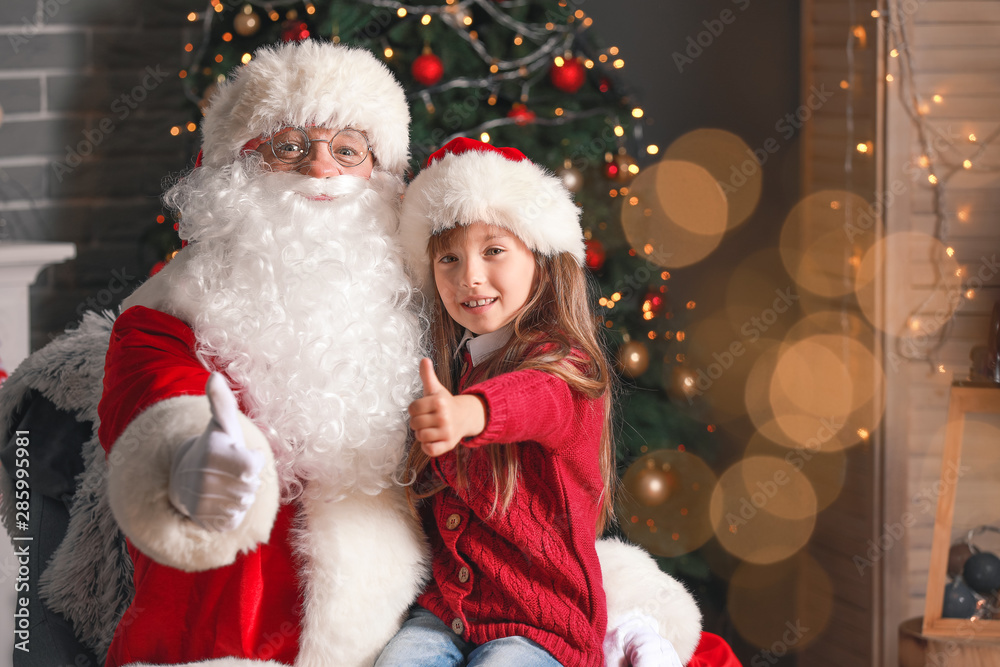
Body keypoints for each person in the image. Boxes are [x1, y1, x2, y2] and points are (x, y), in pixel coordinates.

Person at [1, 40, 711, 667]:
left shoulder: (413, 287)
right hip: (244, 627)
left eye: (348, 149)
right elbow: (149, 395)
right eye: (289, 145)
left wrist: (472, 413)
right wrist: (189, 462)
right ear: (235, 170)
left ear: (381, 175)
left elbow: (543, 395)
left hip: (435, 602)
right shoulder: (181, 302)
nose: (321, 170)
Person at [376, 138, 676, 667]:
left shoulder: (567, 366)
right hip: (447, 611)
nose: (468, 275)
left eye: (493, 250)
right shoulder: (453, 362)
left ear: (539, 258)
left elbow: (537, 397)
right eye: (449, 257)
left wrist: (469, 413)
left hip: (540, 623)